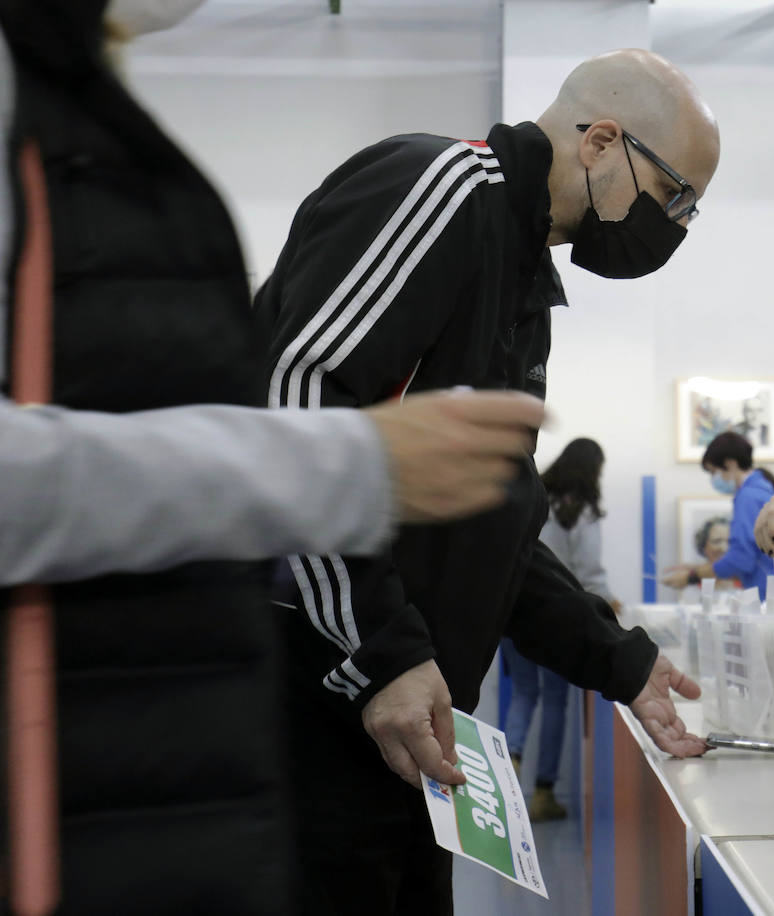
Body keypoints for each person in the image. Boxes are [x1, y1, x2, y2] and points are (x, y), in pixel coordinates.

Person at [0, 4, 551, 915]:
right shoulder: (448, 186)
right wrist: (344, 478)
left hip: (162, 778)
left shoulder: (83, 103)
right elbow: (300, 390)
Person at [254, 48, 720, 915]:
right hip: (315, 712)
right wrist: (382, 652)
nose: (678, 227)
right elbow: (296, 404)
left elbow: (492, 521)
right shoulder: (443, 190)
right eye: (675, 197)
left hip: (406, 730)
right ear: (603, 141)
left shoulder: (519, 279)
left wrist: (617, 661)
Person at [501, 437, 621, 822]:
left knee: (523, 693)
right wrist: (610, 605)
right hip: (557, 619)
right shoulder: (581, 510)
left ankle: (509, 772)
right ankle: (543, 794)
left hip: (512, 612)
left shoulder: (534, 495)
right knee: (554, 701)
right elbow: (588, 573)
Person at [662, 431, 774, 598]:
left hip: (766, 596)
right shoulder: (761, 491)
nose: (713, 479)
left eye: (713, 472)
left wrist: (691, 577)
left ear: (730, 464)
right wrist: (696, 570)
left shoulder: (748, 497)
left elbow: (741, 560)